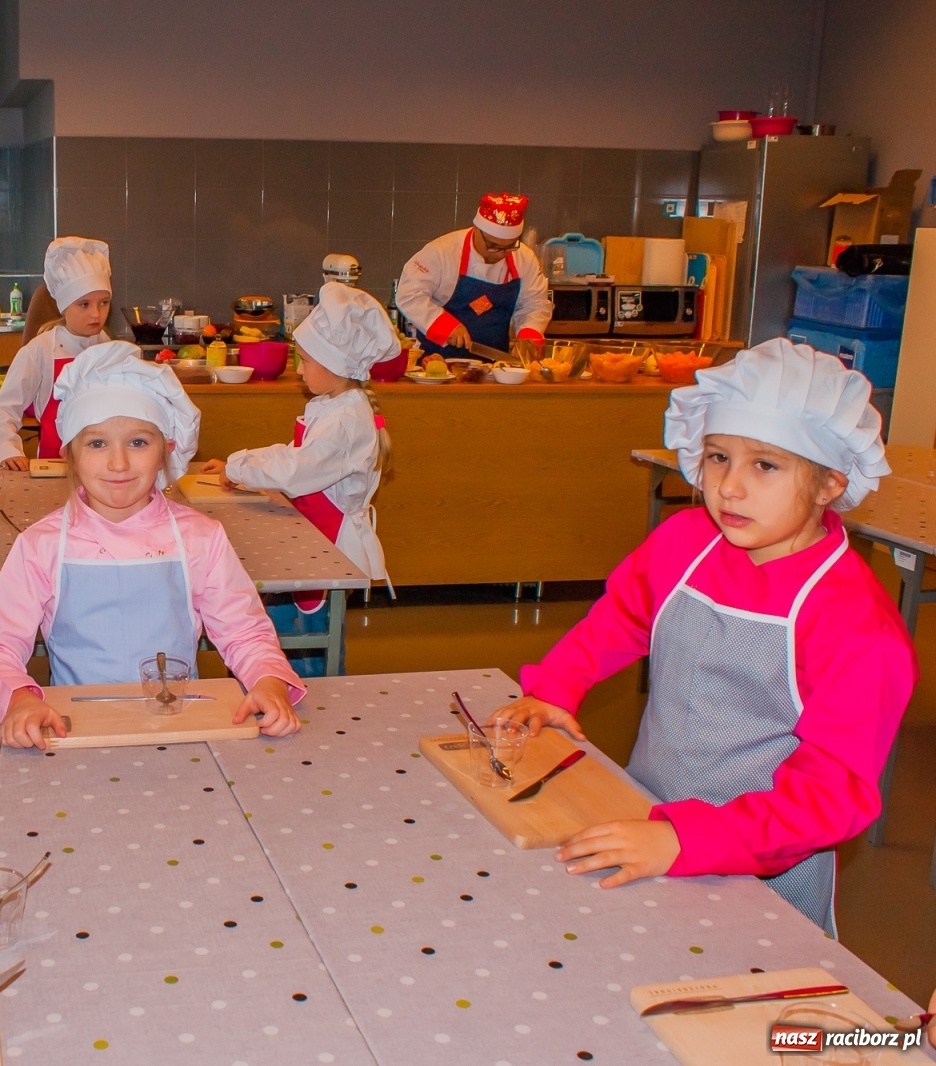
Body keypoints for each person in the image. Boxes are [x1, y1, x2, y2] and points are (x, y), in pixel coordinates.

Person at [496, 339, 915, 935]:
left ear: (829, 484)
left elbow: (830, 797)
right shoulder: (686, 542)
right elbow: (620, 619)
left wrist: (685, 840)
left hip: (763, 869)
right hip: (647, 812)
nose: (729, 488)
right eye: (718, 457)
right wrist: (556, 687)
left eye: (765, 465)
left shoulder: (858, 627)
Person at [0, 340, 305, 748]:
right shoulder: (41, 545)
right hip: (76, 733)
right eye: (97, 443)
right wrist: (20, 699)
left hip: (182, 731)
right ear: (69, 454)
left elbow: (245, 634)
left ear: (167, 450)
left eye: (138, 442)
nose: (119, 463)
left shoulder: (200, 537)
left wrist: (268, 681)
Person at [201, 282, 395, 675]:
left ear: (335, 365)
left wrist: (239, 468)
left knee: (311, 647)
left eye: (305, 361)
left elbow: (296, 470)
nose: (299, 370)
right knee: (281, 630)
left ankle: (317, 702)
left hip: (329, 547)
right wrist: (238, 463)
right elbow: (292, 453)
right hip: (311, 539)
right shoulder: (332, 404)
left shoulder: (346, 420)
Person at [0, 236, 116, 468]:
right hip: (53, 465)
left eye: (104, 302)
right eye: (84, 304)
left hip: (104, 466)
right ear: (64, 306)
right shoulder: (40, 349)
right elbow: (5, 408)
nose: (96, 314)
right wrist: (8, 450)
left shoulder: (109, 348)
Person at [394, 192, 550, 363]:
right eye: (493, 245)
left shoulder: (525, 259)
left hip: (495, 367)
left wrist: (529, 337)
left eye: (509, 247)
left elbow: (535, 304)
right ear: (476, 229)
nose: (500, 254)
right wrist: (444, 326)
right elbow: (409, 293)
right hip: (438, 363)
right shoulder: (442, 252)